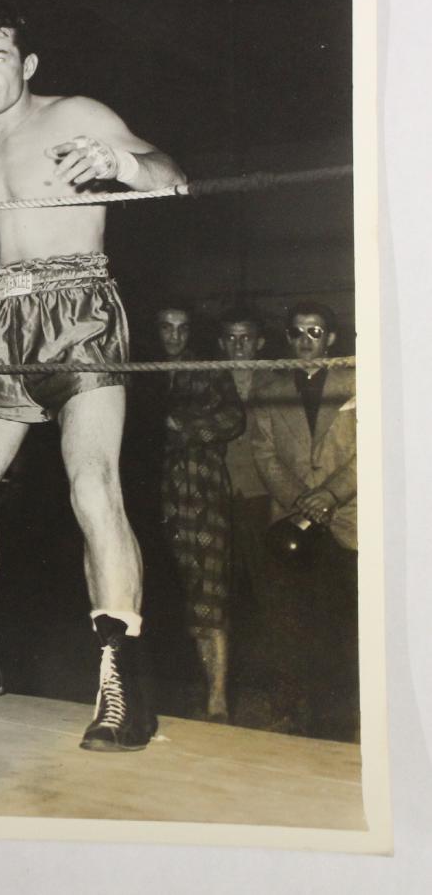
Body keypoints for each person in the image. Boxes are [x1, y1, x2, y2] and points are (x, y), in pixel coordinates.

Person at [0, 0, 184, 752]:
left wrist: (123, 165)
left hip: (81, 307)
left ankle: (122, 685)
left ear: (27, 64)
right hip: (1, 317)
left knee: (91, 484)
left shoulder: (77, 113)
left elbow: (174, 179)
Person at [249, 301, 358, 740]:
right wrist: (300, 500)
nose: (306, 342)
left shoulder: (357, 380)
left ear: (331, 338)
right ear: (287, 338)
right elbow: (263, 451)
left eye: (315, 333)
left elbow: (370, 448)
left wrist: (330, 495)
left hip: (348, 519)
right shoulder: (269, 386)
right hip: (291, 522)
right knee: (292, 621)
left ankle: (337, 721)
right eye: (297, 333)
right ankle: (292, 716)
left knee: (342, 624)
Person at [156, 303, 244, 723]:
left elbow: (232, 419)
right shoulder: (143, 370)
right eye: (167, 328)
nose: (174, 336)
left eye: (182, 328)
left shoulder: (208, 367)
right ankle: (173, 690)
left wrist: (177, 426)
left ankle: (218, 697)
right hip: (157, 490)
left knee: (210, 592)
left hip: (202, 487)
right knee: (167, 593)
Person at [216, 308, 270, 604]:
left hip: (264, 490)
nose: (238, 346)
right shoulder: (207, 378)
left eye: (246, 338)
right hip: (219, 489)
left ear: (259, 342)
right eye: (231, 338)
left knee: (267, 575)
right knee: (225, 582)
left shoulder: (278, 378)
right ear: (222, 343)